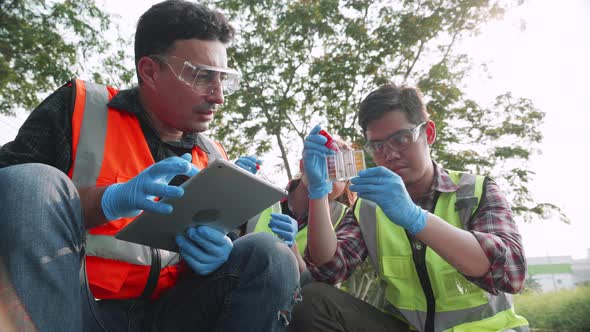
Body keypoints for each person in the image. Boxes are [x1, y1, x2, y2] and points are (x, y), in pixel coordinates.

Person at [0, 1, 299, 331]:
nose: (218, 97)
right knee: (28, 181)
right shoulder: (80, 108)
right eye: (202, 76)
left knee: (269, 253)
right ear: (150, 71)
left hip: (173, 315)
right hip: (76, 306)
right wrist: (106, 200)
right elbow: (14, 199)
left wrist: (219, 256)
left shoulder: (216, 158)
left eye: (223, 80)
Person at [289, 84, 529, 332]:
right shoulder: (369, 207)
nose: (390, 154)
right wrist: (318, 193)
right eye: (378, 146)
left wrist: (416, 218)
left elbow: (511, 272)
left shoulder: (475, 191)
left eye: (402, 139)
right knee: (313, 299)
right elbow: (328, 269)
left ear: (429, 133)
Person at [246, 138, 356, 276]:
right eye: (324, 166)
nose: (327, 177)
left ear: (345, 187)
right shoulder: (266, 194)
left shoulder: (344, 217)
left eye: (340, 176)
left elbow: (314, 286)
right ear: (303, 165)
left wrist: (293, 250)